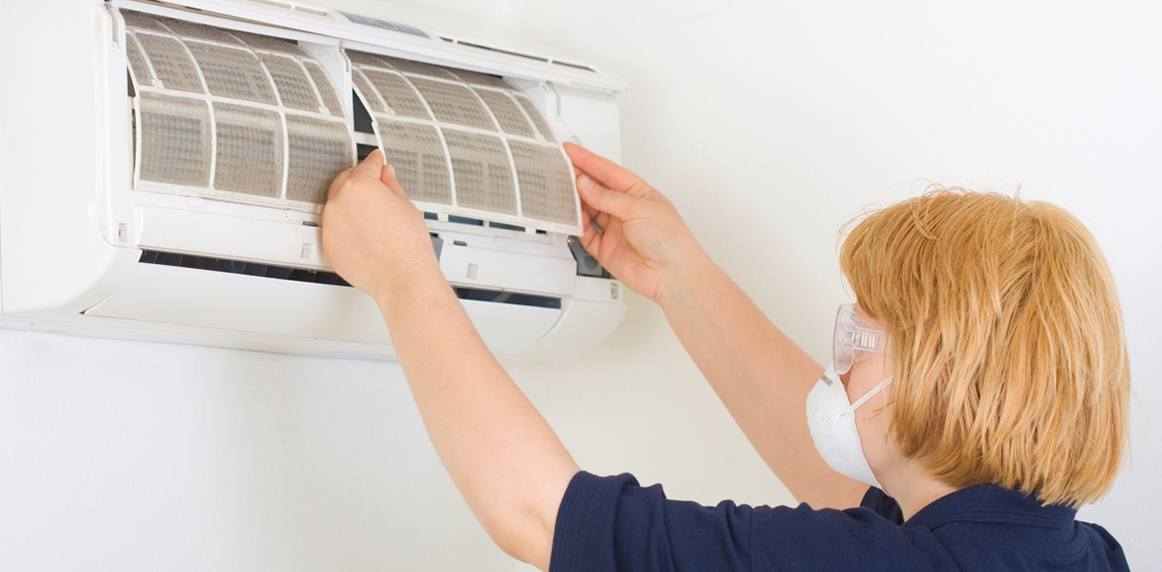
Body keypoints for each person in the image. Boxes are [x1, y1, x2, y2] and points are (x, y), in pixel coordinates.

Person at [320, 146, 1131, 571]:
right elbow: (846, 502)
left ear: (944, 374)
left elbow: (537, 514)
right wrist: (682, 278)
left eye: (861, 339)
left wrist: (402, 276)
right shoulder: (1077, 555)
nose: (840, 368)